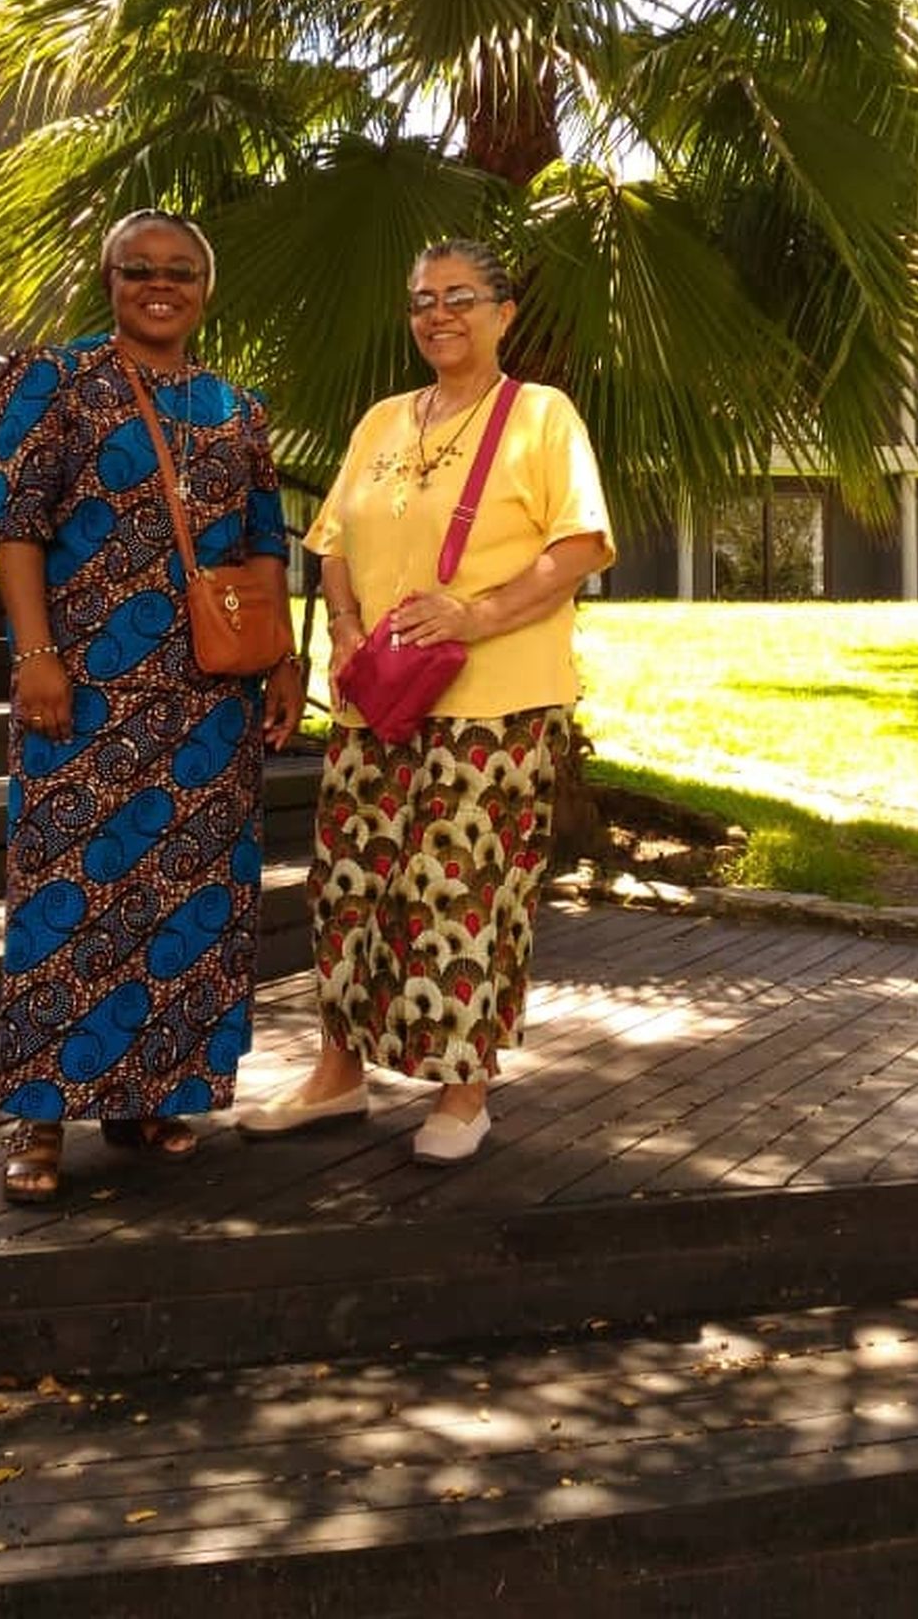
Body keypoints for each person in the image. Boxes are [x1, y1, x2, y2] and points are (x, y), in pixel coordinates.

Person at [239, 238, 613, 1164]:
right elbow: (330, 536)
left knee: (462, 892)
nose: (438, 314)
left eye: (460, 297)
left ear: (503, 312)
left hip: (495, 703)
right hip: (378, 702)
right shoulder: (381, 420)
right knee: (351, 887)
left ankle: (463, 1091)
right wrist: (346, 620)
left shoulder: (541, 416)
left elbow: (578, 548)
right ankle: (338, 1073)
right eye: (421, 300)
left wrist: (475, 613)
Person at [0, 209, 304, 1204]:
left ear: (206, 290)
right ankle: (39, 1121)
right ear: (110, 278)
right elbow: (17, 528)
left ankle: (152, 1095)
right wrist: (36, 654)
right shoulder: (52, 378)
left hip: (209, 701)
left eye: (180, 272)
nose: (159, 285)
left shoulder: (235, 407)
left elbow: (261, 542)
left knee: (186, 897)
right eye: (139, 270)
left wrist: (281, 661)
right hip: (82, 691)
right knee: (65, 894)